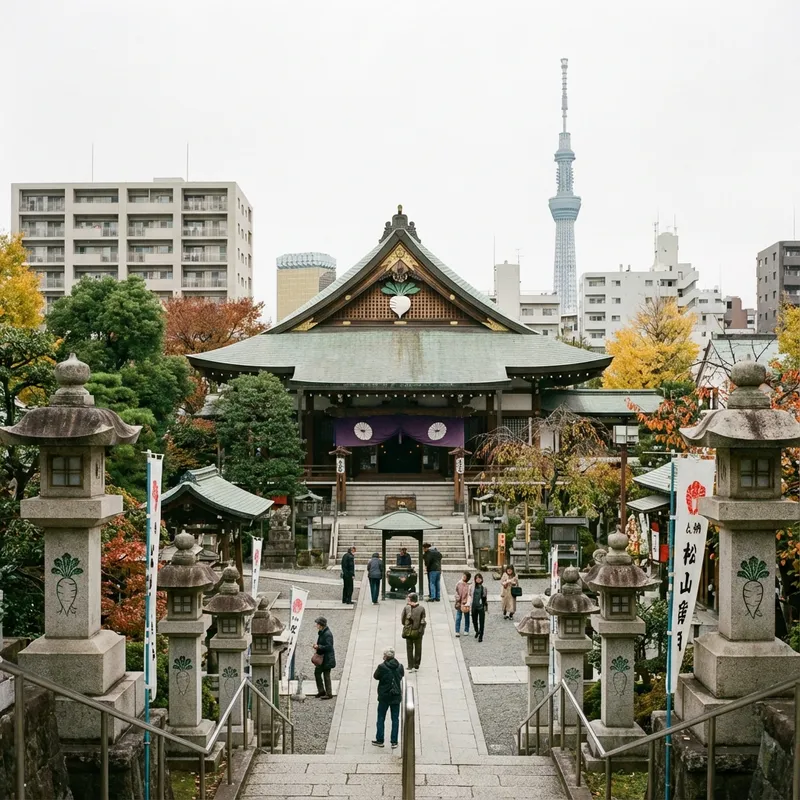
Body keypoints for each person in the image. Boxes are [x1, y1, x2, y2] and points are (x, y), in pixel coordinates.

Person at [372, 647, 405, 749]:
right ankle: (394, 741)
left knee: (381, 717)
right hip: (395, 696)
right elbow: (402, 675)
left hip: (384, 696)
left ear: (386, 657)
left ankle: (380, 739)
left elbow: (376, 676)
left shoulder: (382, 667)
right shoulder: (399, 666)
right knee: (395, 719)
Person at [401, 593, 426, 671]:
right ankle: (416, 664)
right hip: (418, 631)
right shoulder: (422, 608)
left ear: (410, 599)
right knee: (418, 648)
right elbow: (423, 620)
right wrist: (420, 629)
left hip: (408, 631)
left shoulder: (406, 608)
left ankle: (410, 665)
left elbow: (402, 620)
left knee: (409, 648)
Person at [312, 616, 335, 699]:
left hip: (327, 658)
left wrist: (319, 647)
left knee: (326, 676)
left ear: (321, 625)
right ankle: (321, 691)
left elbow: (329, 647)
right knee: (317, 673)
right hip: (322, 658)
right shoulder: (322, 632)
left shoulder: (327, 634)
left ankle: (329, 693)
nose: (316, 625)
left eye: (317, 624)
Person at [454, 571, 472, 637]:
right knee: (458, 617)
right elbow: (456, 591)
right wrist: (457, 597)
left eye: (465, 576)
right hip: (459, 602)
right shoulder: (459, 583)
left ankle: (466, 630)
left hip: (465, 603)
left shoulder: (469, 585)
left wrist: (468, 602)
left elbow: (469, 594)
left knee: (466, 617)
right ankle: (457, 630)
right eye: (463, 575)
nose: (463, 577)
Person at [471, 572, 487, 642]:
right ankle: (477, 630)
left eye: (479, 578)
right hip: (474, 606)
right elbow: (470, 595)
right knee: (474, 620)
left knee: (481, 621)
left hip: (480, 607)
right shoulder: (472, 587)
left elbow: (484, 598)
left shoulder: (484, 588)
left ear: (481, 579)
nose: (478, 579)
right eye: (476, 578)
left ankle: (481, 635)